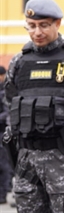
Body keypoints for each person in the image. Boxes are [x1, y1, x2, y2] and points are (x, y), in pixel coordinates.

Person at [3, 0, 64, 213]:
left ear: (57, 23)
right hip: (27, 166)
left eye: (44, 25)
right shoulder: (19, 62)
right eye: (31, 26)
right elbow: (11, 101)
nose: (37, 32)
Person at [0, 65, 12, 205]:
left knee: (3, 165)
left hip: (2, 132)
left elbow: (7, 111)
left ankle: (3, 193)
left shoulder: (5, 90)